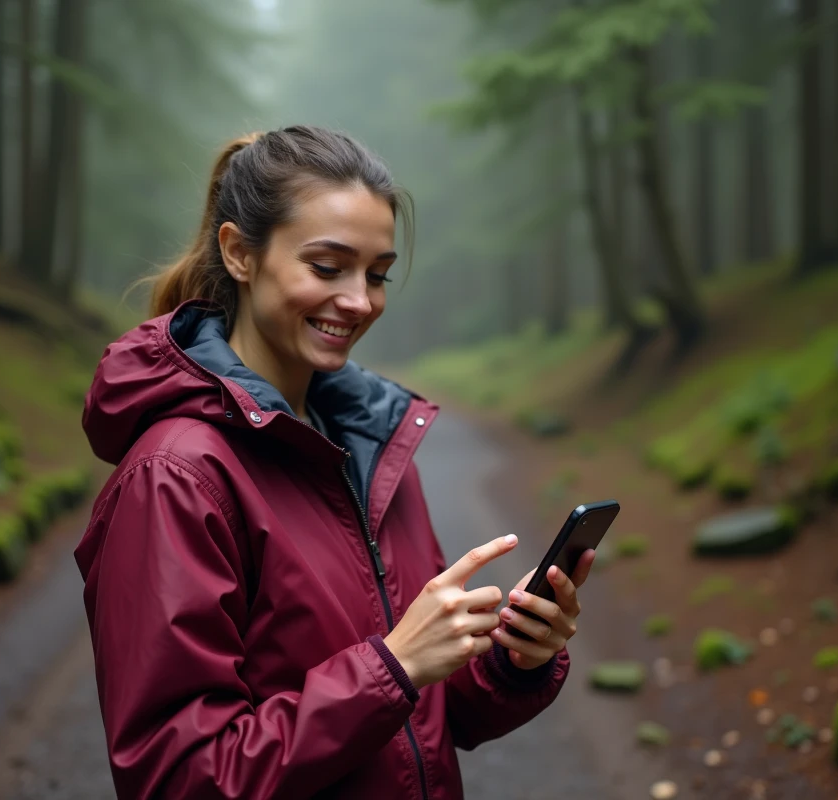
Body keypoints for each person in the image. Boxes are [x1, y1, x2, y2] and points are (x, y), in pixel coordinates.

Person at [75, 125, 595, 799]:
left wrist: (515, 659)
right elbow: (177, 777)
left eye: (377, 274)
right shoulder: (176, 477)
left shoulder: (369, 446)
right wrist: (392, 667)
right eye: (327, 267)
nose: (360, 301)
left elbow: (430, 718)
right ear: (239, 253)